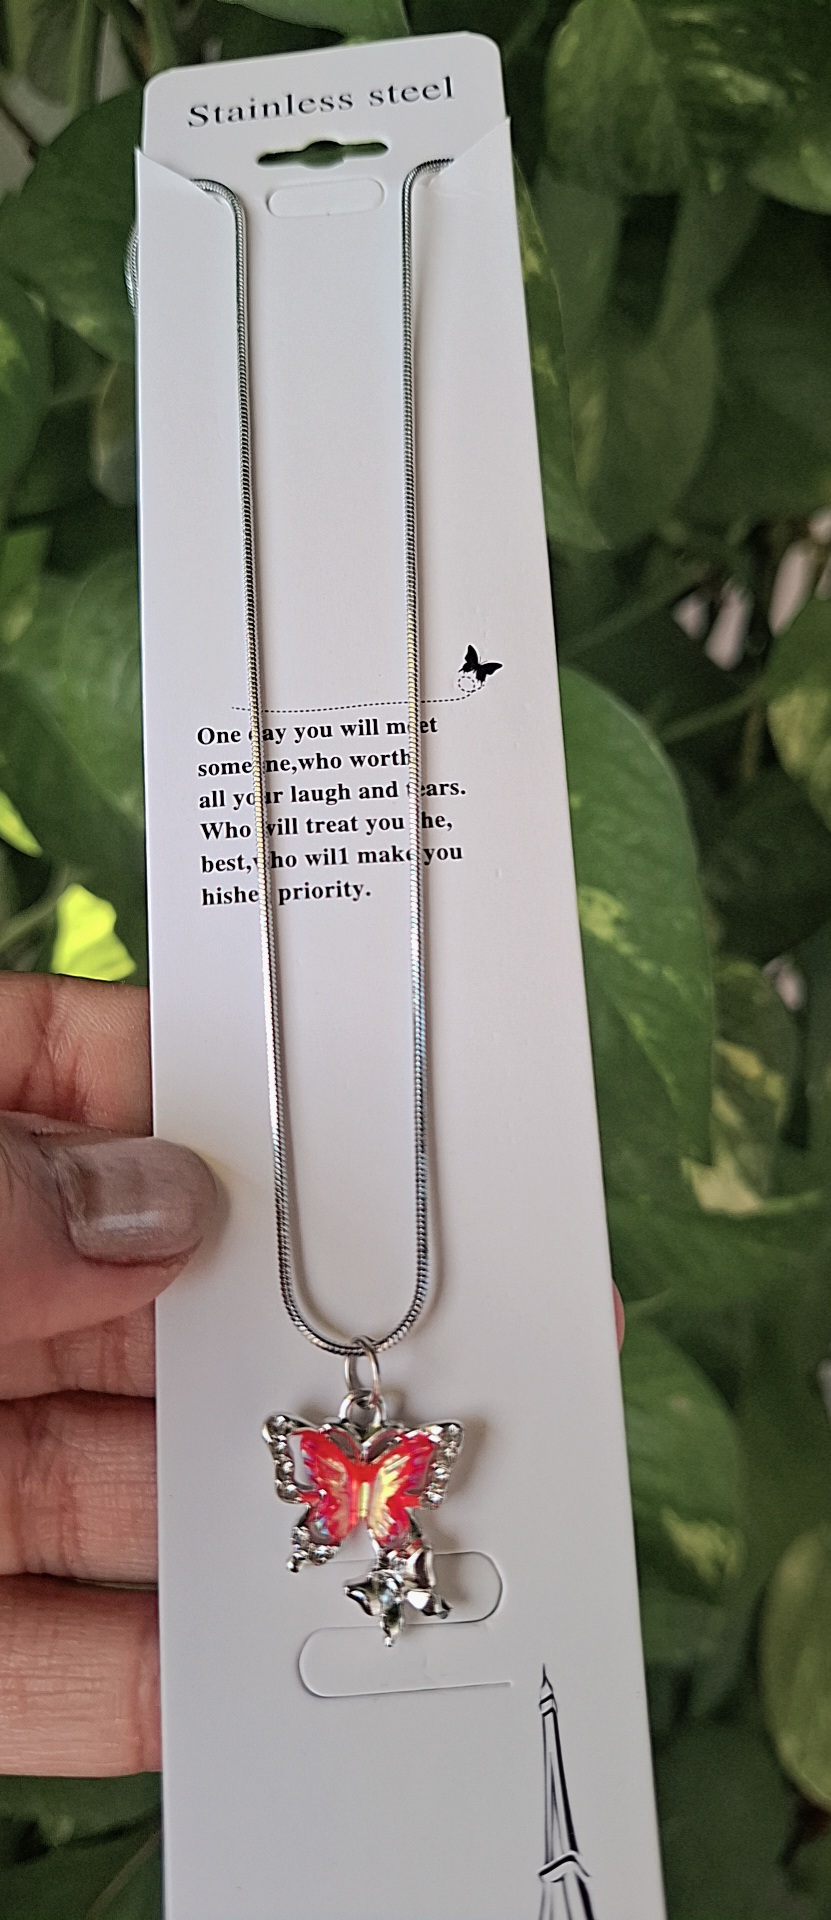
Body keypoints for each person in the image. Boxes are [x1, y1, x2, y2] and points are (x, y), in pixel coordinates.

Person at [0, 971, 624, 1778]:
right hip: (363, 1505)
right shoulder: (382, 1462)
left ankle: (387, 1591)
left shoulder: (344, 1459)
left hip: (346, 1504)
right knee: (376, 1538)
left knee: (358, 1538)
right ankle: (396, 1595)